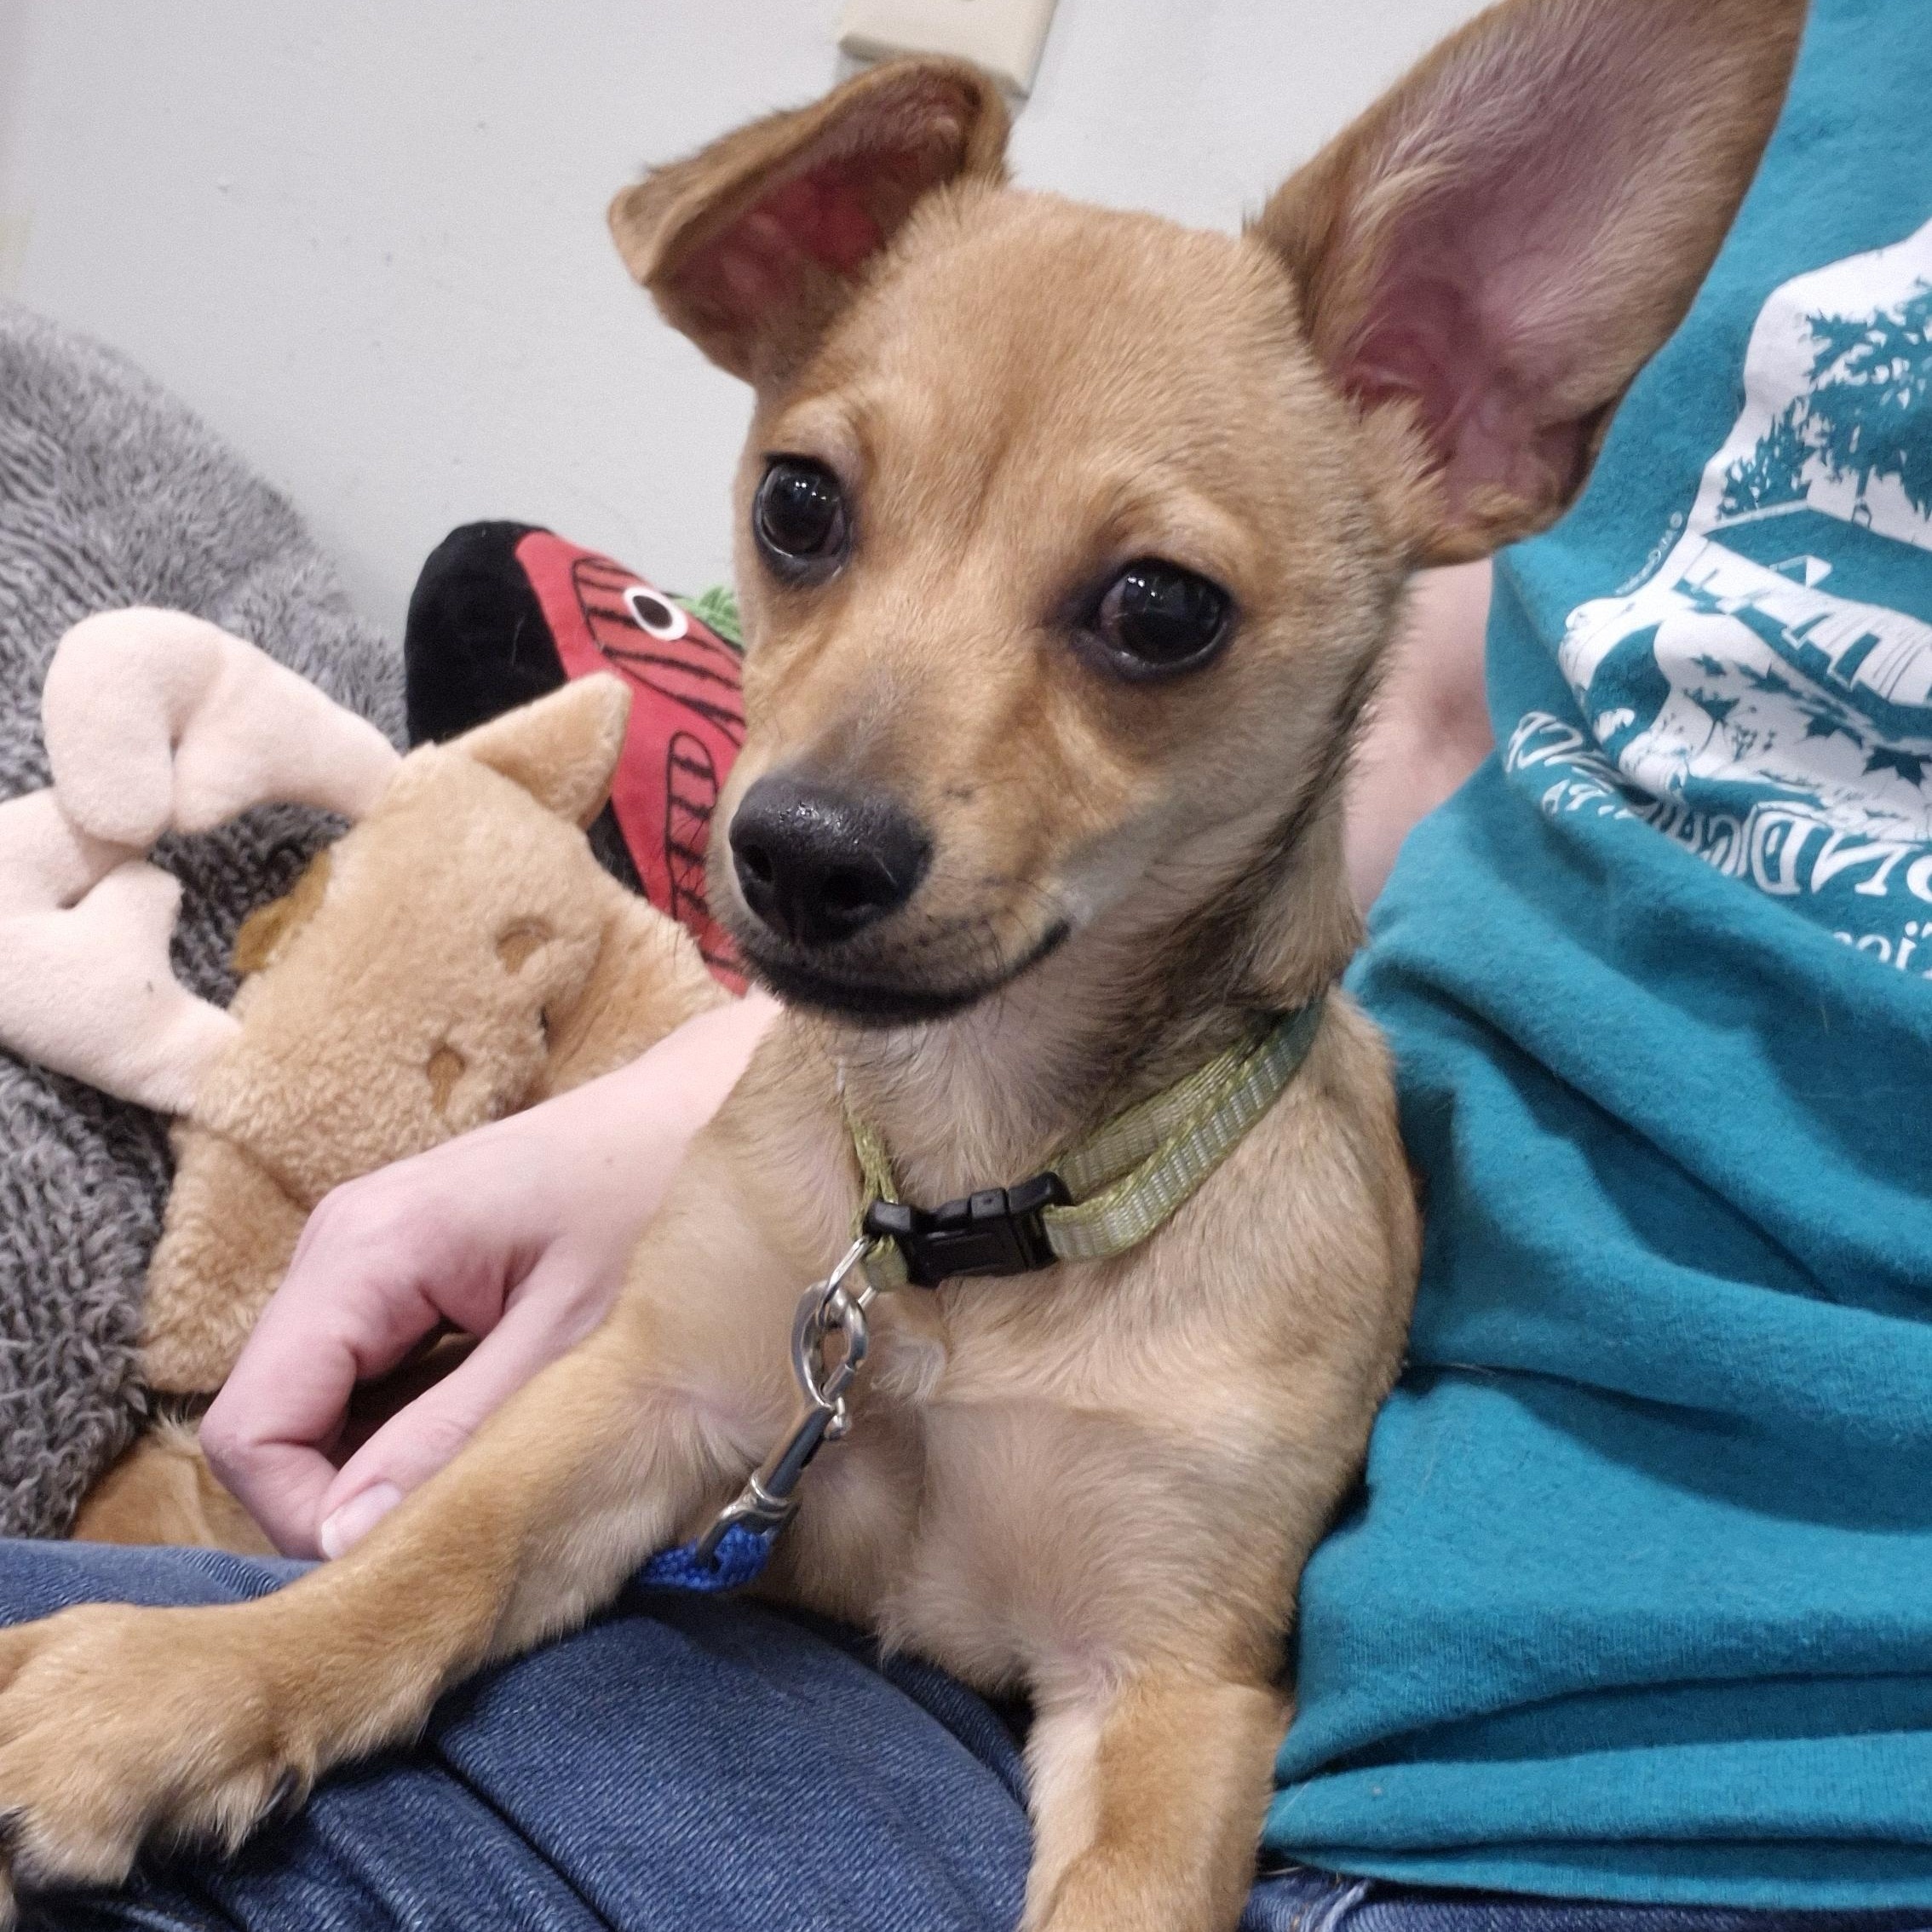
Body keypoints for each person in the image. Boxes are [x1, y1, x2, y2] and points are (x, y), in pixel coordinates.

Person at [12, 0, 1932, 1923]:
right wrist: (291, 1666)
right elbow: (641, 1414)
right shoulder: (801, 1104)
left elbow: (1156, 1681)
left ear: (1461, 409)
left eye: (1149, 616)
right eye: (812, 516)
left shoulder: (1289, 1269)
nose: (831, 785)